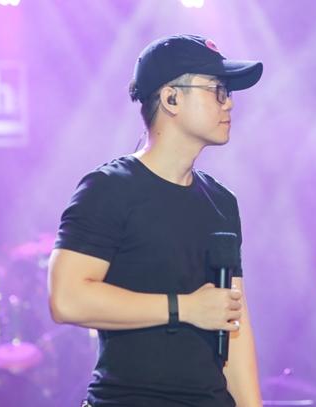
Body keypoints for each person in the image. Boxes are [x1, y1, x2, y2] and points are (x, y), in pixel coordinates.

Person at [48, 34, 263, 407]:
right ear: (171, 98)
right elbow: (67, 299)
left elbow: (233, 320)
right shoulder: (110, 188)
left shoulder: (221, 201)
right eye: (217, 90)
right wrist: (185, 308)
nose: (229, 103)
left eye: (228, 92)